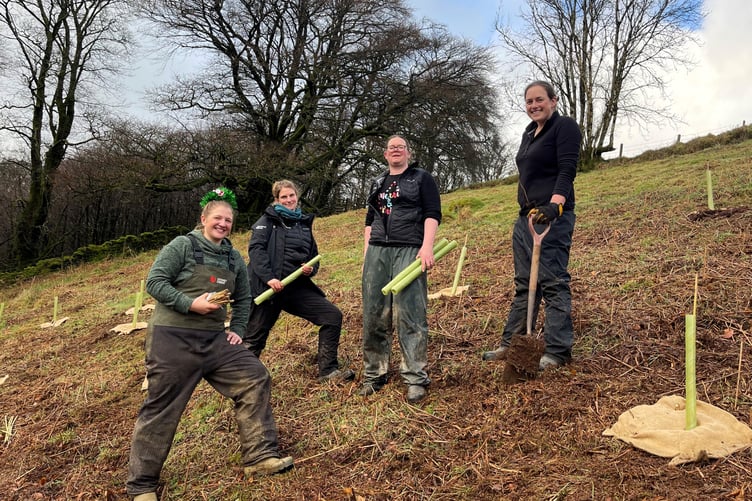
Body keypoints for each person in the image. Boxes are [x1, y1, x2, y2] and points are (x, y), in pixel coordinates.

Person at [126, 187, 293, 501]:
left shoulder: (232, 257)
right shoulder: (182, 246)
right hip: (173, 339)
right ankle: (142, 486)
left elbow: (243, 299)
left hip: (215, 341)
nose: (223, 224)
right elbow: (155, 282)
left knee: (254, 376)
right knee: (161, 409)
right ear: (204, 218)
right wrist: (190, 304)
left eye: (228, 220)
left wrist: (238, 330)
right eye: (218, 218)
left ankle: (259, 458)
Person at [482, 80, 582, 370]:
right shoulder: (529, 133)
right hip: (526, 217)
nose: (534, 105)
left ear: (554, 100)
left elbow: (567, 169)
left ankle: (557, 350)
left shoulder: (564, 127)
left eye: (540, 99)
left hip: (551, 217)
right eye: (529, 102)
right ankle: (512, 345)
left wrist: (556, 204)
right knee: (525, 285)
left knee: (552, 282)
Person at [244, 180, 354, 383]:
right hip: (267, 289)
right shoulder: (266, 221)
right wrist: (269, 278)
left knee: (332, 316)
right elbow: (256, 251)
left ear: (297, 196)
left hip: (295, 289)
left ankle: (328, 371)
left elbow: (314, 256)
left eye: (291, 195)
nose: (288, 200)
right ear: (277, 199)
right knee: (253, 339)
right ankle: (243, 381)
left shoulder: (304, 224)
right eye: (283, 197)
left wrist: (310, 270)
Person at [359, 135, 442, 404]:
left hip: (409, 248)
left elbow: (432, 213)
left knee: (411, 313)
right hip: (378, 251)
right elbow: (370, 219)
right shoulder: (377, 182)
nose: (396, 150)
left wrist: (427, 247)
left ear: (407, 153)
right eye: (391, 147)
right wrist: (366, 256)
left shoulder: (421, 178)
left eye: (401, 147)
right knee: (374, 313)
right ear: (385, 155)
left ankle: (415, 377)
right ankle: (375, 374)